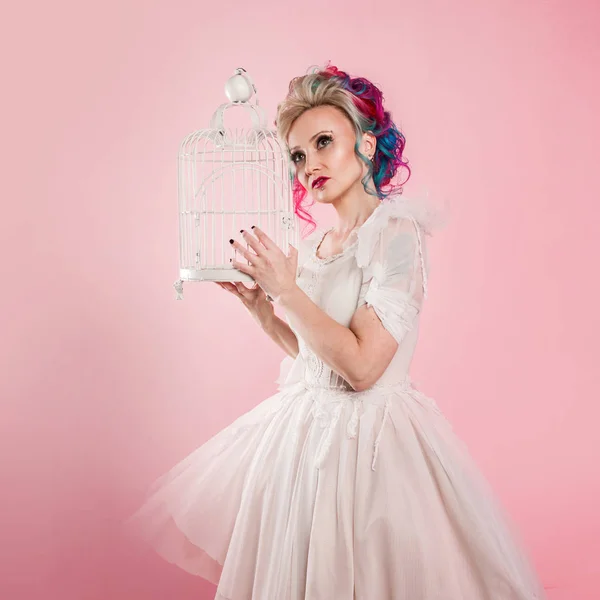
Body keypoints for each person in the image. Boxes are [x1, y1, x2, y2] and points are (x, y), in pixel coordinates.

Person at [124, 62, 547, 599]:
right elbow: (314, 357)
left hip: (372, 447)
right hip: (307, 440)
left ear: (367, 145)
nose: (308, 166)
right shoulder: (322, 245)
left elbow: (364, 367)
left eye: (324, 142)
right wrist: (264, 311)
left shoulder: (395, 233)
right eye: (298, 155)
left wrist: (288, 291)